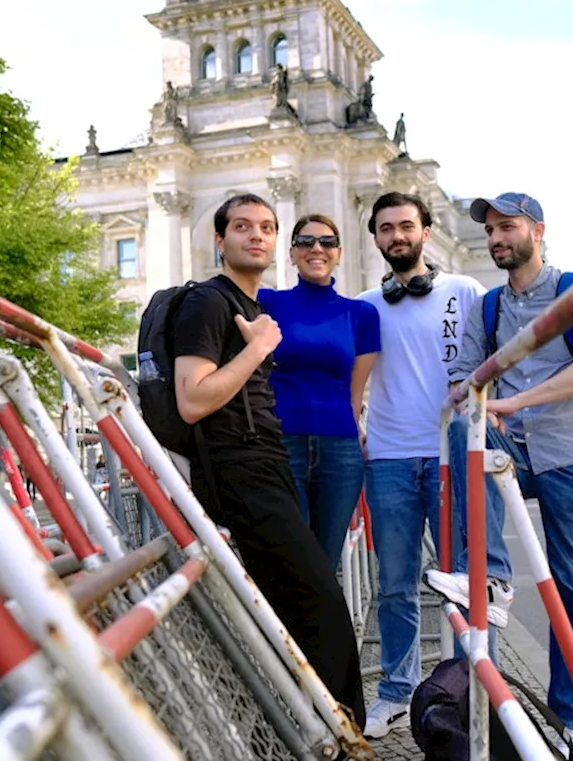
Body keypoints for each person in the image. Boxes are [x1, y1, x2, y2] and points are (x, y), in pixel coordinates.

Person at [428, 192, 573, 759]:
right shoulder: (487, 308)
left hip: (570, 450)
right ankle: (493, 578)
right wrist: (471, 393)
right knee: (466, 428)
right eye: (489, 230)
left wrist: (514, 401)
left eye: (506, 227)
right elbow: (463, 375)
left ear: (538, 230)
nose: (495, 238)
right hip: (509, 444)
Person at [169, 193, 366, 728]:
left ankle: (286, 724)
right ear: (219, 239)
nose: (255, 235)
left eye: (266, 227)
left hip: (266, 461)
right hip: (239, 468)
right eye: (241, 226)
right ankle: (337, 729)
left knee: (291, 601)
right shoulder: (210, 303)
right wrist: (258, 349)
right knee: (320, 599)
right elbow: (193, 400)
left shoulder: (253, 307)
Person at [356, 191, 483, 739]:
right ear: (377, 239)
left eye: (406, 225)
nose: (397, 236)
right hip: (387, 458)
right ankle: (396, 691)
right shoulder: (365, 305)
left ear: (426, 232)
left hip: (450, 458)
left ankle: (472, 688)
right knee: (395, 585)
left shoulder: (465, 291)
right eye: (386, 229)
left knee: (465, 582)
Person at [258, 214, 381, 570]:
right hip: (282, 443)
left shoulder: (361, 314)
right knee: (290, 556)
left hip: (340, 451)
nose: (317, 249)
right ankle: (281, 628)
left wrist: (354, 429)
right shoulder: (268, 303)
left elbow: (355, 394)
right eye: (306, 242)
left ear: (339, 254)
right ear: (292, 253)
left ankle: (320, 628)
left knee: (325, 562)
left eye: (327, 242)